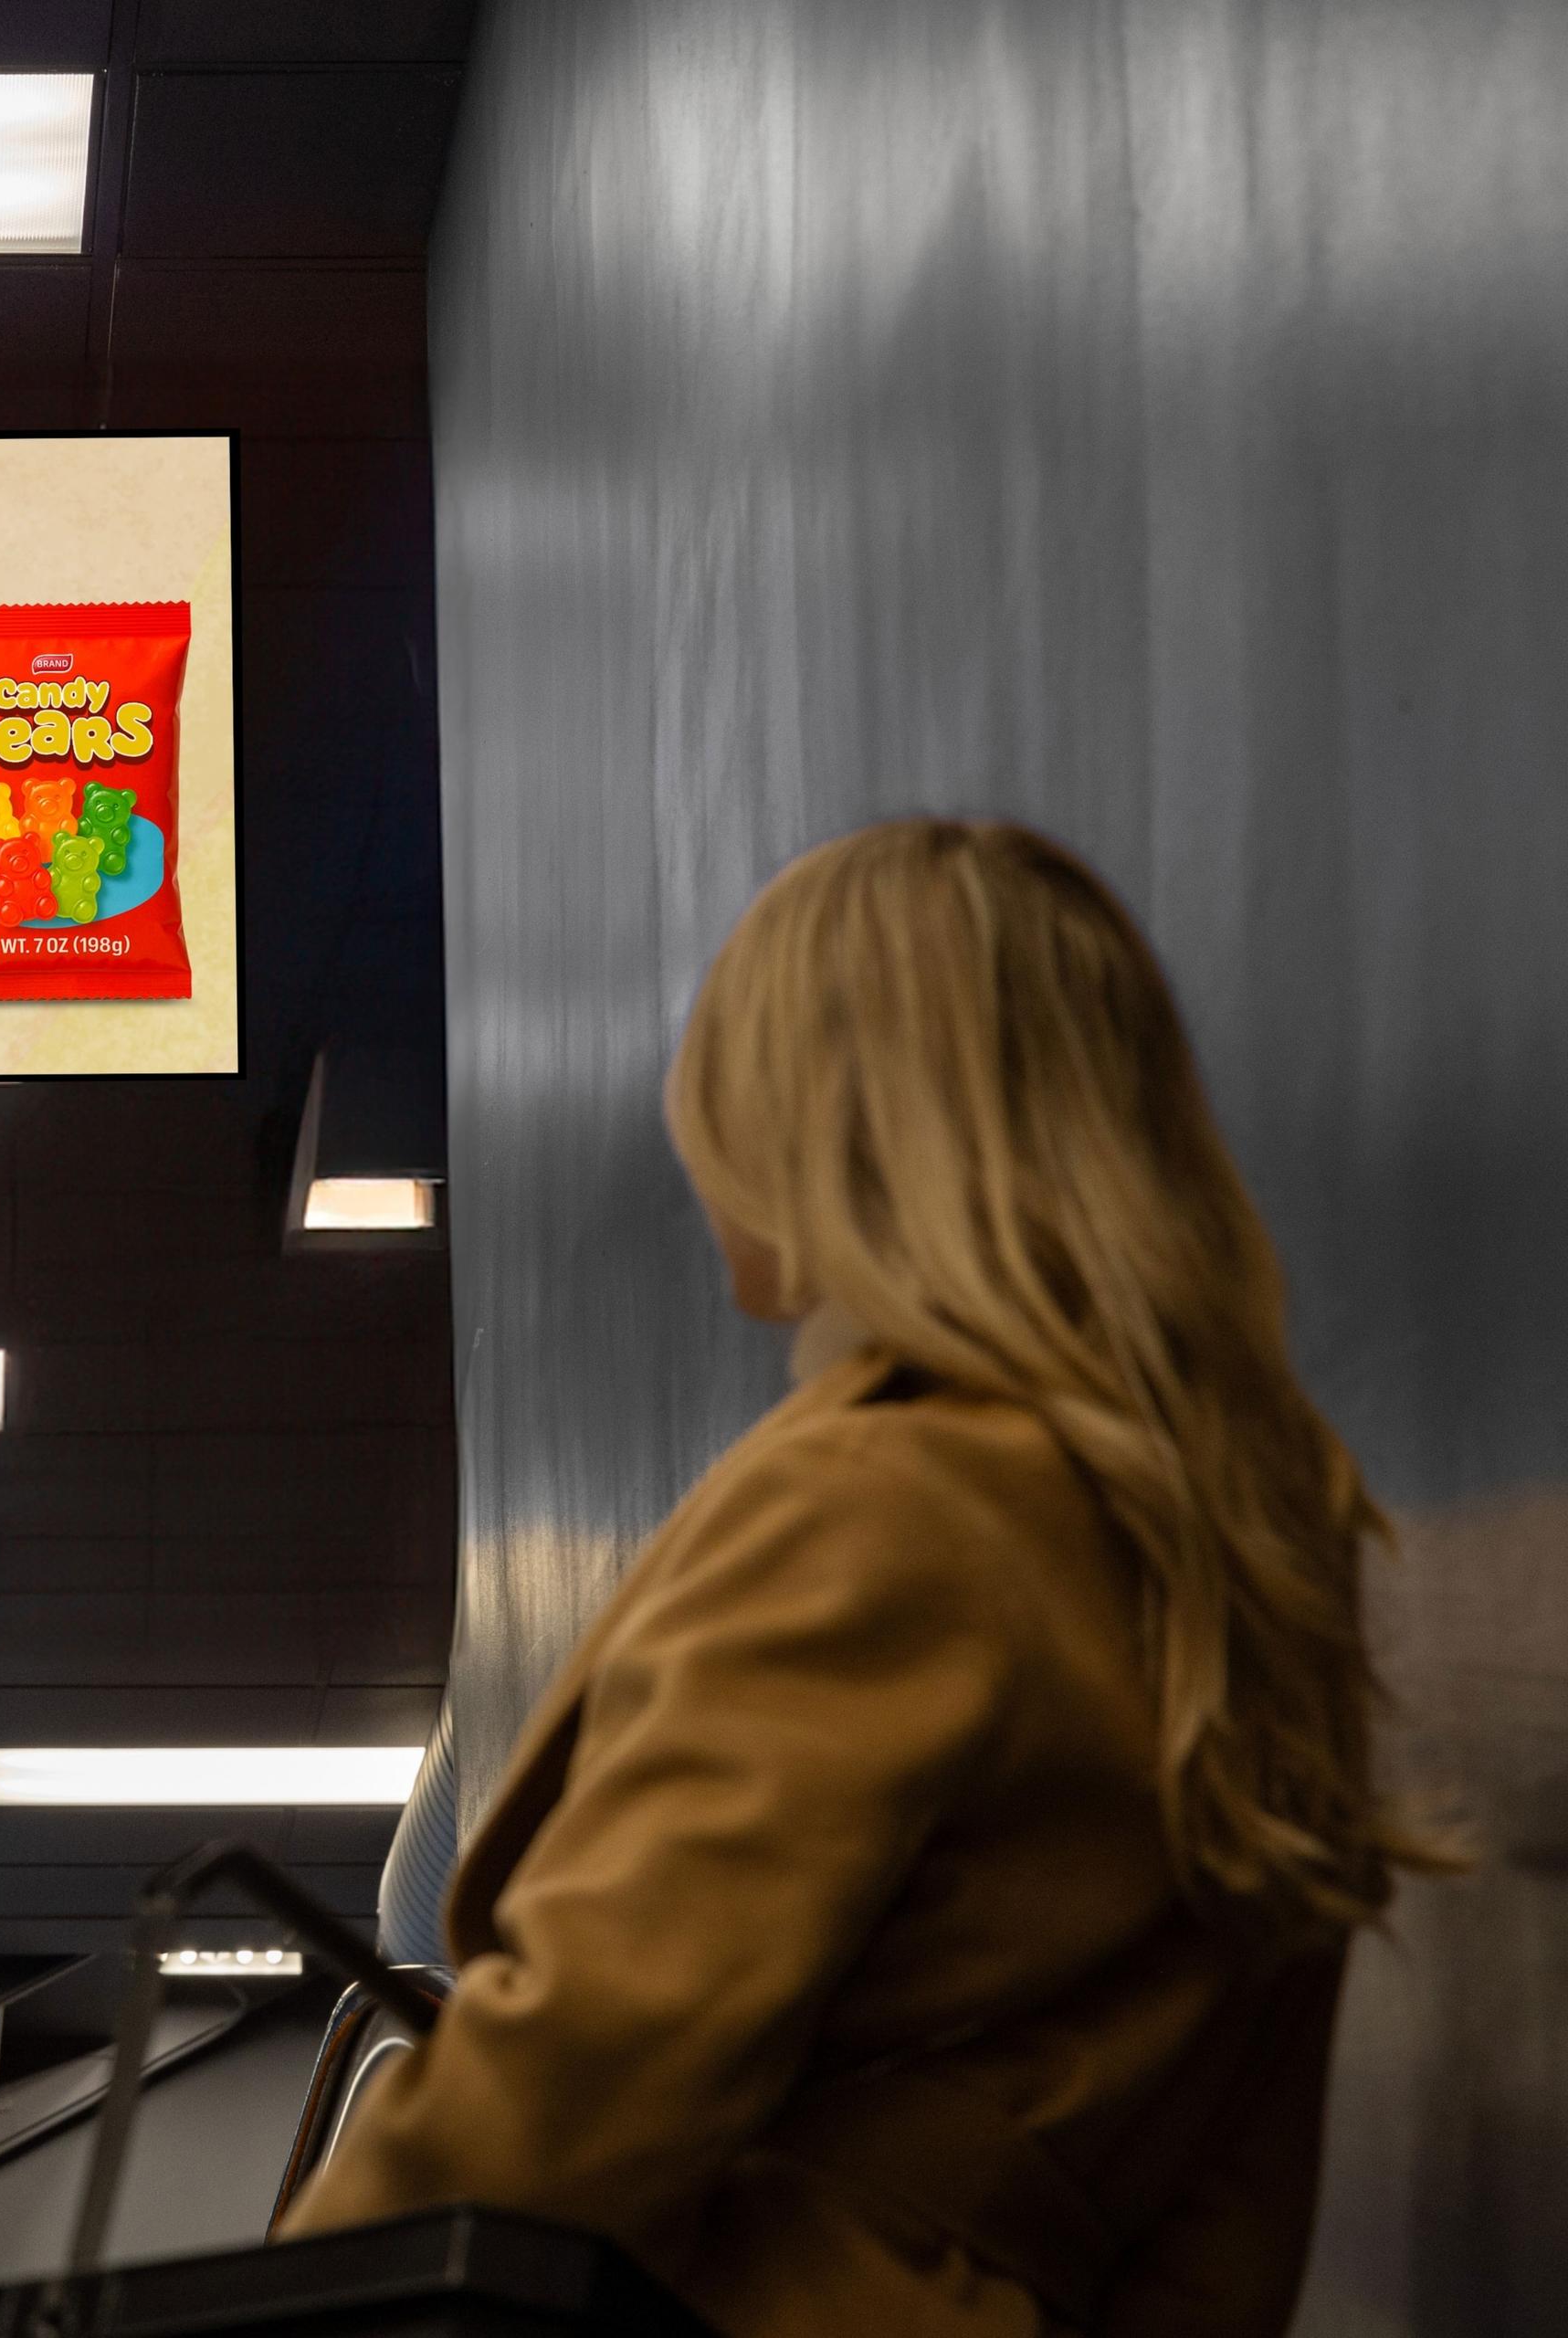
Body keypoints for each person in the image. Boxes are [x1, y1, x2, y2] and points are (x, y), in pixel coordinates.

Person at [276, 819, 1455, 2335]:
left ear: (810, 1118)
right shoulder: (1250, 1548)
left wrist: (289, 2296)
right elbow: (1236, 2213)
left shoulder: (881, 1503)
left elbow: (570, 2081)